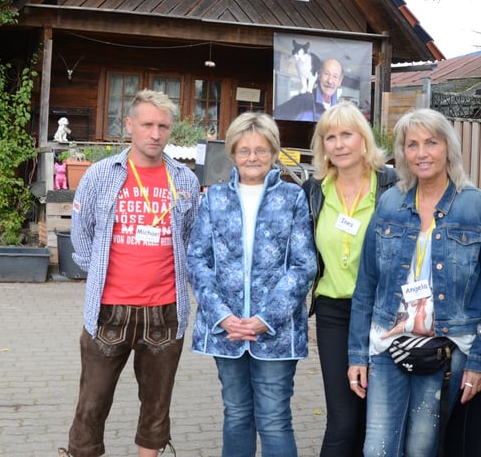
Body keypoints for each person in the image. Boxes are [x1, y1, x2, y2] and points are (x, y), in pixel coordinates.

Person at [348, 108, 481, 457]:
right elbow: (367, 285)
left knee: (421, 449)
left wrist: (480, 361)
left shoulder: (476, 207)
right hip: (387, 345)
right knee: (377, 448)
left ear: (448, 148)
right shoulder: (390, 202)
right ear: (403, 153)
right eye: (412, 145)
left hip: (446, 347)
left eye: (431, 143)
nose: (422, 153)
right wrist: (357, 355)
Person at [62, 90, 201, 457]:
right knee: (92, 403)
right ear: (129, 126)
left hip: (165, 312)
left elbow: (189, 240)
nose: (155, 134)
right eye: (147, 125)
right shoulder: (100, 175)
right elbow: (82, 234)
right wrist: (102, 278)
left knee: (156, 406)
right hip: (109, 310)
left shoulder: (184, 180)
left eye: (163, 126)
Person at [187, 112, 317, 457]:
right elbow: (197, 260)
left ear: (274, 152)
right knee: (237, 414)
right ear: (232, 153)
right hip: (226, 331)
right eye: (244, 150)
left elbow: (304, 264)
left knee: (274, 418)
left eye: (261, 150)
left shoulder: (292, 198)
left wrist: (265, 319)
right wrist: (222, 316)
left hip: (275, 332)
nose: (252, 158)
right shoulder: (214, 199)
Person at [302, 103, 399, 456]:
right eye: (330, 137)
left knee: (374, 417)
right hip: (333, 313)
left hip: (385, 314)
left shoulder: (390, 187)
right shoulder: (314, 191)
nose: (339, 144)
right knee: (343, 419)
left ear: (363, 140)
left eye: (347, 135)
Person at [275, 58, 344, 121]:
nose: (330, 81)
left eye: (335, 76)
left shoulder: (338, 109)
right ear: (319, 75)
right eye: (326, 74)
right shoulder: (302, 100)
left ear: (340, 81)